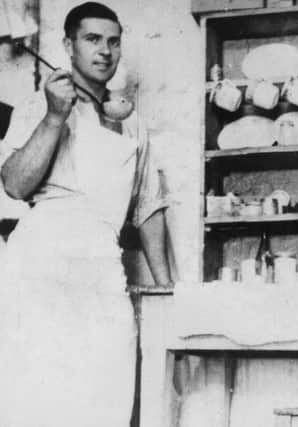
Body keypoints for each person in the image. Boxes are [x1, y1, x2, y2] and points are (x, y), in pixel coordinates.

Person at [0, 2, 172, 426]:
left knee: (106, 399)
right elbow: (16, 184)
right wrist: (55, 117)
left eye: (114, 41)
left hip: (101, 271)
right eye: (92, 39)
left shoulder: (133, 122)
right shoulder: (39, 105)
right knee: (36, 399)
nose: (105, 51)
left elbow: (148, 207)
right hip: (40, 271)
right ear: (68, 45)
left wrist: (169, 290)